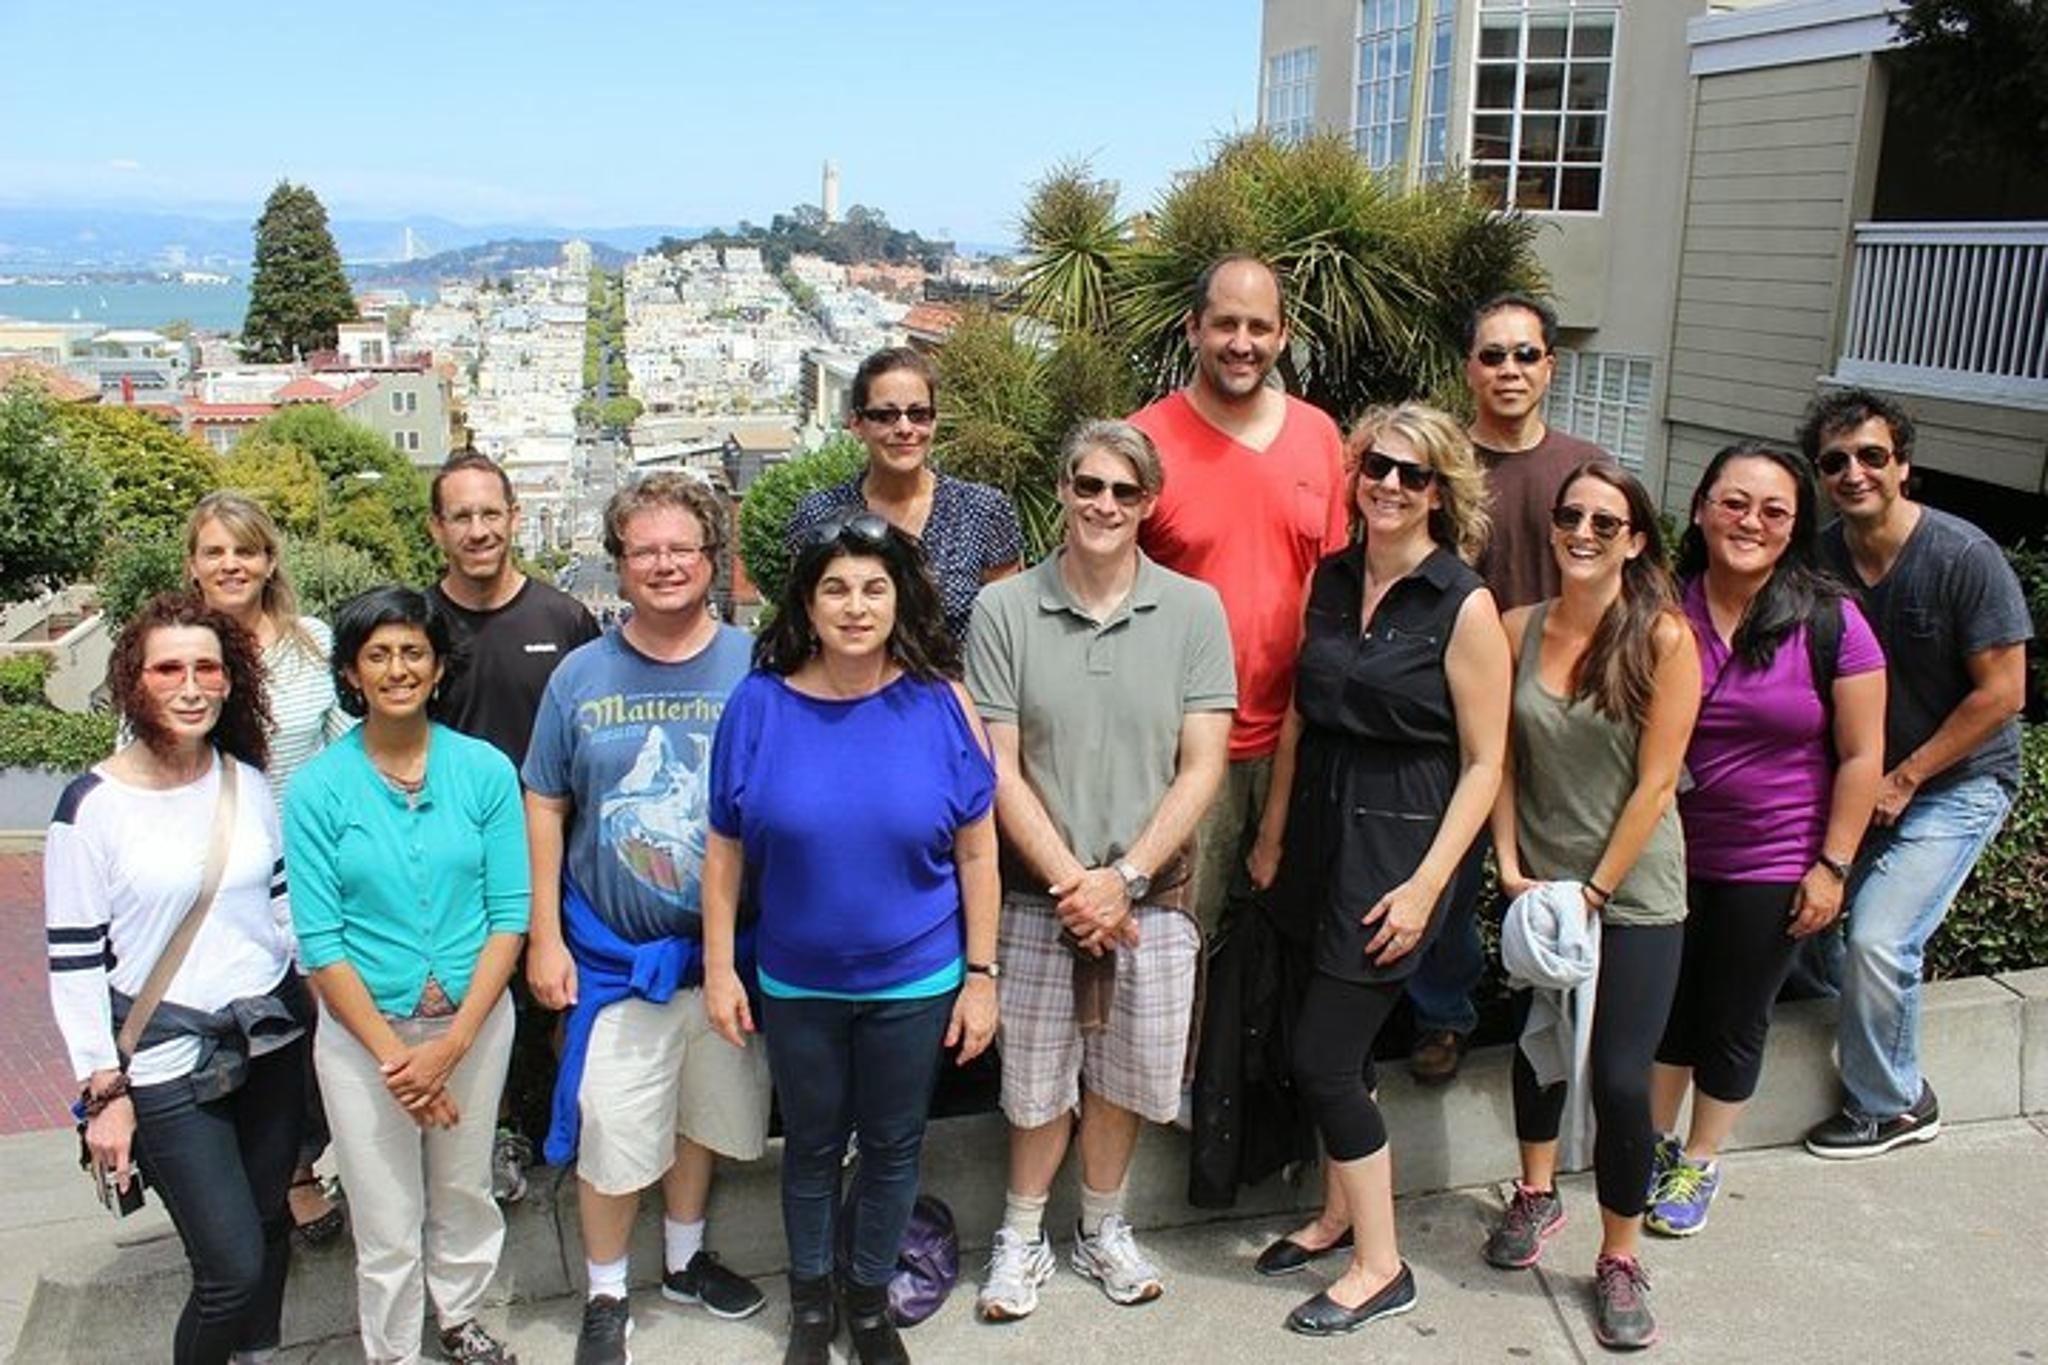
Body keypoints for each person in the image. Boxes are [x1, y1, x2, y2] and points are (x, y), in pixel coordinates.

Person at [705, 510, 1000, 1365]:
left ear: (900, 598)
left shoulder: (941, 702)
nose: (856, 606)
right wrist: (721, 966)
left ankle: (868, 1302)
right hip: (798, 981)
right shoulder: (758, 705)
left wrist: (981, 975)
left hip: (916, 979)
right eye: (835, 588)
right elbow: (723, 849)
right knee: (811, 1146)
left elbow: (978, 850)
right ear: (807, 602)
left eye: (874, 587)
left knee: (894, 1146)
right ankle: (810, 1305)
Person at [1241, 404, 1508, 1336]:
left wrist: (1429, 885)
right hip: (1315, 837)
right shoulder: (1333, 576)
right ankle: (1335, 1214)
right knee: (1337, 1052)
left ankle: (1383, 1266)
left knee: (1323, 1058)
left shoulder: (1462, 602)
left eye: (1413, 473)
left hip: (1397, 852)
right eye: (1378, 467)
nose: (1390, 485)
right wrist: (1272, 833)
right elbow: (1298, 715)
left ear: (1440, 491)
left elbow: (1486, 762)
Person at [963, 420, 1235, 1323]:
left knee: (1125, 1078)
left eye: (1124, 490)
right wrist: (1077, 884)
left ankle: (1103, 1227)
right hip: (1039, 897)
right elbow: (998, 767)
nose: (1104, 505)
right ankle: (1021, 1234)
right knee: (1035, 1079)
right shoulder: (1004, 610)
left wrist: (1126, 879)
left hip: (1151, 900)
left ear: (1148, 501)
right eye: (1089, 485)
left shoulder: (1195, 610)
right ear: (1063, 489)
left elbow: (1203, 764)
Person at [522, 473, 769, 1365]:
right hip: (616, 956)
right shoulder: (580, 676)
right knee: (614, 1128)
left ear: (711, 558)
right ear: (620, 565)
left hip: (726, 957)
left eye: (681, 548)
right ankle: (605, 1290)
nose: (664, 565)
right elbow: (545, 801)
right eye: (644, 550)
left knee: (704, 1112)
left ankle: (685, 1257)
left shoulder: (756, 665)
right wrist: (545, 934)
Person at [46, 593, 309, 1365]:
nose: (191, 686)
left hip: (270, 1037)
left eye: (207, 668)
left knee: (270, 1224)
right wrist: (104, 1093)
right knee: (230, 1268)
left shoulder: (246, 782)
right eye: (169, 669)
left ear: (231, 679)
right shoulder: (91, 806)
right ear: (136, 679)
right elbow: (74, 959)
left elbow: (280, 909)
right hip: (165, 1062)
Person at [1644, 443, 1886, 1237]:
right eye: (1734, 502)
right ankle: (1651, 1141)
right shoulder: (1660, 608)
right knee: (1667, 1007)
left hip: (1774, 859)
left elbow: (1862, 755)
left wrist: (1833, 866)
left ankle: (1700, 1157)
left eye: (1773, 510)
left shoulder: (1831, 621)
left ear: (1795, 526)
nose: (1751, 521)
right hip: (1667, 853)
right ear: (1701, 508)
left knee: (1734, 1013)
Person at [1486, 463, 1700, 1352]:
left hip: (1634, 891)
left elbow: (1656, 783)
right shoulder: (1515, 627)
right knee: (1538, 1049)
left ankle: (1619, 1254)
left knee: (1619, 1078)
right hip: (1540, 889)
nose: (1582, 532)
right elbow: (1500, 759)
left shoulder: (1662, 638)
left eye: (1605, 522)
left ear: (1635, 540)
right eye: (1570, 516)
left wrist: (1596, 890)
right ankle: (1536, 1194)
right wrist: (1508, 864)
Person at [285, 587, 527, 1365]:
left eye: (414, 652)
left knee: (463, 1187)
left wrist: (451, 1046)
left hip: (473, 1023)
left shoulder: (484, 770)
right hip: (364, 1039)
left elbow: (509, 915)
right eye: (378, 654)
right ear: (351, 673)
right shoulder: (318, 787)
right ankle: (393, 1350)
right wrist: (400, 1061)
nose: (398, 669)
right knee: (385, 1212)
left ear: (439, 665)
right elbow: (321, 942)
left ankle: (460, 1316)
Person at [1798, 388, 2031, 1159]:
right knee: (1795, 915)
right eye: (1835, 461)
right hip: (1864, 781)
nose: (1854, 473)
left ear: (1904, 464)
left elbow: (2004, 693)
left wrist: (1904, 778)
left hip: (1959, 782)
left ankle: (1893, 1104)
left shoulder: (1963, 556)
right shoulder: (1819, 561)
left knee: (1879, 936)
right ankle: (1858, 1029)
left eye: (1872, 455)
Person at [1404, 293, 1614, 1087]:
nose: (1509, 369)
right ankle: (1444, 1012)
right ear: (1469, 368)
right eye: (1492, 354)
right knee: (1453, 868)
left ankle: (1555, 1007)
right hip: (1450, 703)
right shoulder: (1440, 465)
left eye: (1526, 354)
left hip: (1559, 700)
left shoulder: (1584, 468)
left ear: (1550, 367)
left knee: (1558, 862)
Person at [1129, 254, 1349, 941]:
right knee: (1179, 944)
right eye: (1225, 324)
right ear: (1193, 328)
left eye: (1259, 326)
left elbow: (1339, 583)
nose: (1242, 343)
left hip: (1299, 740)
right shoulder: (1146, 442)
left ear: (1284, 335)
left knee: (1288, 948)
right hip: (1184, 753)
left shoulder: (1318, 436)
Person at [424, 450, 600, 1205]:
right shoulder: (419, 626)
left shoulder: (563, 620)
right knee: (477, 1001)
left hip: (557, 851)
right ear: (437, 529)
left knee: (561, 997)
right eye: (461, 516)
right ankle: (495, 1135)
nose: (478, 530)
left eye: (490, 513)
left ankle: (566, 1129)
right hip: (455, 861)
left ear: (515, 518)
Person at [184, 491, 351, 1245]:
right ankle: (262, 1178)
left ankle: (302, 1165)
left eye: (245, 550)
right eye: (215, 551)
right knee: (239, 1030)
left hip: (309, 871)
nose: (231, 565)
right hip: (216, 879)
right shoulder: (177, 646)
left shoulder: (312, 643)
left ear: (269, 559)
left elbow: (349, 750)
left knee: (315, 1024)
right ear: (194, 564)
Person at [787, 345, 1023, 646]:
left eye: (918, 414)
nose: (904, 428)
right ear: (856, 424)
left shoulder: (983, 511)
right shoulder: (820, 515)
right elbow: (802, 627)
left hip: (958, 676)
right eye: (885, 416)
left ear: (934, 421)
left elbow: (1010, 631)